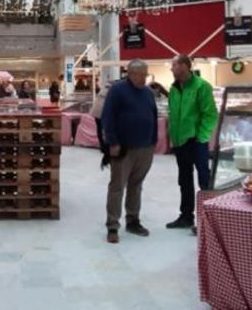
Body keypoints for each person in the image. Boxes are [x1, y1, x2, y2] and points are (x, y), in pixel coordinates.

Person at [101, 59, 157, 244]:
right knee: (117, 186)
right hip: (124, 147)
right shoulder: (117, 90)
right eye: (141, 74)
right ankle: (112, 225)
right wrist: (112, 142)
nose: (144, 78)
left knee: (136, 185)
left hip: (145, 147)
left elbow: (153, 117)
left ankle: (133, 220)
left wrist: (154, 141)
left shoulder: (148, 93)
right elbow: (107, 117)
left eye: (146, 74)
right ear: (131, 73)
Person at [165, 55, 218, 231]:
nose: (171, 68)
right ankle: (186, 216)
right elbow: (173, 114)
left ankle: (208, 220)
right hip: (180, 142)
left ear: (184, 66)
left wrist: (201, 137)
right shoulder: (173, 89)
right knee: (184, 180)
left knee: (204, 179)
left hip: (196, 141)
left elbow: (210, 115)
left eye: (174, 65)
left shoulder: (202, 86)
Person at [90, 81, 112, 169]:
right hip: (102, 113)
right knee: (104, 132)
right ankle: (105, 147)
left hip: (96, 113)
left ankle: (102, 146)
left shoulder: (103, 90)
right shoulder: (111, 91)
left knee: (99, 130)